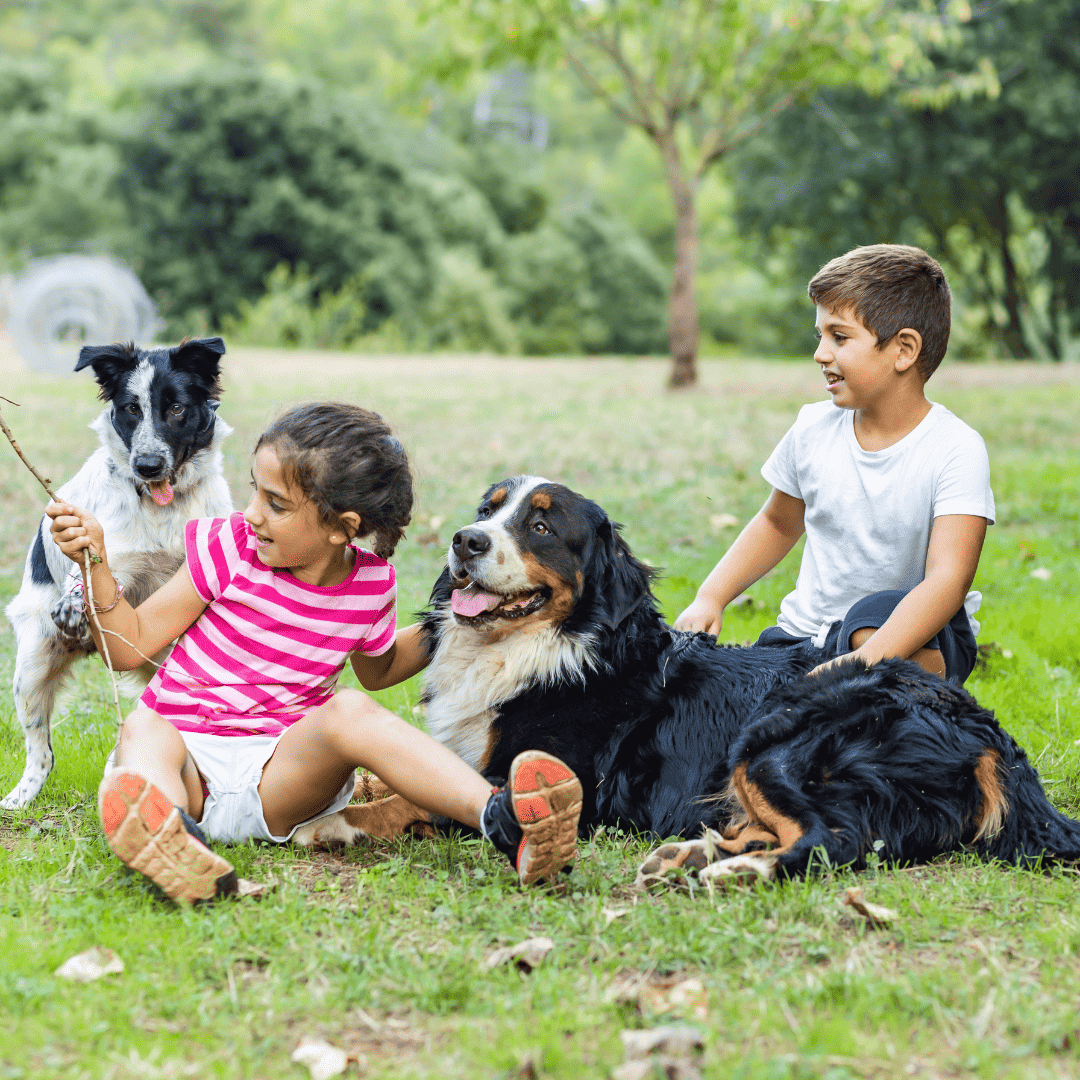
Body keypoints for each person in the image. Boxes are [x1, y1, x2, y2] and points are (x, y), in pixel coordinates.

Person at [47, 402, 581, 903]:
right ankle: (168, 835)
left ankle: (502, 821)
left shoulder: (370, 586)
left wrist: (471, 617)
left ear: (341, 528)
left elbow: (379, 672)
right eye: (254, 492)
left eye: (275, 504)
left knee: (349, 709)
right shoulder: (227, 547)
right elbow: (129, 647)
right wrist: (96, 564)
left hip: (281, 778)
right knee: (145, 727)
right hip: (186, 770)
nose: (252, 514)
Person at [675, 244, 995, 683]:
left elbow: (948, 580)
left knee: (867, 623)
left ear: (903, 350)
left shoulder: (956, 448)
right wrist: (711, 597)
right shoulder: (812, 429)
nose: (820, 353)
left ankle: (922, 689)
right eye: (820, 335)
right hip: (807, 637)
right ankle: (839, 689)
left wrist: (858, 664)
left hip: (914, 635)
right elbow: (777, 523)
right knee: (730, 702)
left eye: (839, 337)